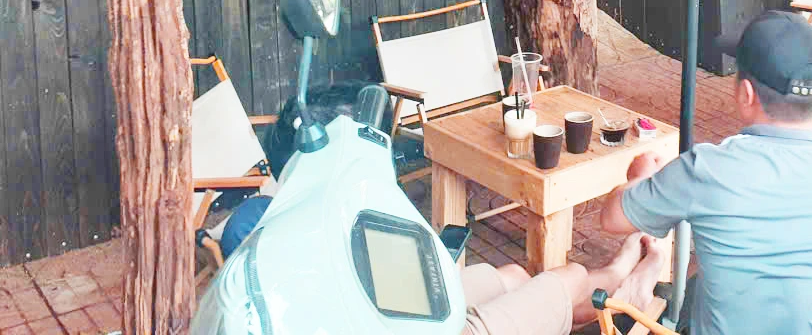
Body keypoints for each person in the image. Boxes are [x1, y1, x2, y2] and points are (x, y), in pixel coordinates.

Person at [221, 82, 666, 335]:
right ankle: (622, 283)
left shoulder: (297, 217)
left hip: (399, 308)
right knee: (566, 277)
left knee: (515, 276)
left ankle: (611, 282)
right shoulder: (273, 241)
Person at [600, 11, 812, 335]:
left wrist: (641, 176)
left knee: (705, 273)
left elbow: (611, 219)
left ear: (746, 94)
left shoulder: (704, 169)